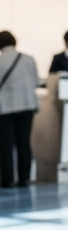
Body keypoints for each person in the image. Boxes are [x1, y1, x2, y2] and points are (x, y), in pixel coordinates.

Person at [0, 32, 40, 188]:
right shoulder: (29, 59)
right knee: (24, 142)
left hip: (6, 108)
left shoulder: (1, 61)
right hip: (27, 106)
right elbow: (36, 81)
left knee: (6, 144)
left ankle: (7, 178)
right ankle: (24, 178)